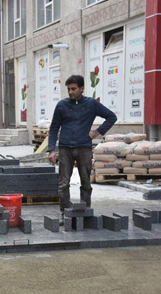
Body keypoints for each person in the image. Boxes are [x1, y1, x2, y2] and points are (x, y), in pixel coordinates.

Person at [47, 74, 117, 220]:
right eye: (68, 89)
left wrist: (97, 132)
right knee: (63, 183)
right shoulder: (62, 105)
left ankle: (85, 212)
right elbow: (54, 127)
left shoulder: (91, 104)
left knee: (86, 182)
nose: (70, 92)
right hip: (65, 148)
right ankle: (64, 213)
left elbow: (111, 116)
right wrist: (52, 149)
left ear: (82, 88)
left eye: (73, 89)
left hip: (84, 148)